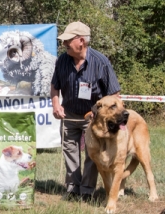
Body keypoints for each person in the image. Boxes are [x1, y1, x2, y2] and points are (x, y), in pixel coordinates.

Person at [50, 21, 121, 200]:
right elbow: (54, 87)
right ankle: (73, 189)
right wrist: (56, 105)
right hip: (69, 115)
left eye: (68, 40)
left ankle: (87, 191)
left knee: (92, 153)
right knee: (69, 150)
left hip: (94, 118)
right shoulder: (62, 60)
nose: (64, 44)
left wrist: (100, 114)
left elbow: (114, 94)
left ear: (81, 41)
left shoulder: (101, 62)